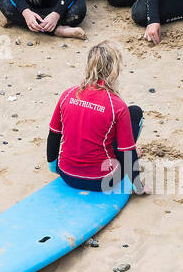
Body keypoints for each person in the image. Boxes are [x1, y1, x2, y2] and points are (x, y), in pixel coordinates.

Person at [47, 41, 143, 192]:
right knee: (135, 113)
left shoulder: (67, 95)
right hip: (103, 181)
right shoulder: (116, 105)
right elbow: (127, 152)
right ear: (114, 69)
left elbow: (54, 134)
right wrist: (137, 186)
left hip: (66, 175)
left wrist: (54, 167)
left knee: (95, 125)